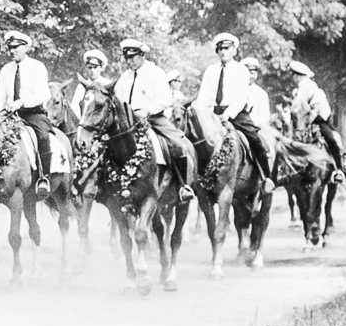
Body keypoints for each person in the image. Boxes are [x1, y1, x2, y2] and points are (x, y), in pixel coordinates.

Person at [113, 39, 195, 202]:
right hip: (127, 122)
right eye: (127, 58)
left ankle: (182, 186)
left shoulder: (155, 72)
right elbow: (117, 97)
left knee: (178, 144)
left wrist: (148, 109)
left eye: (133, 57)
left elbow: (165, 98)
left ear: (142, 55)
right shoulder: (124, 77)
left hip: (153, 118)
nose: (129, 61)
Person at [194, 32, 274, 192]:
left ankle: (266, 178)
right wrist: (202, 114)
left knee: (255, 139)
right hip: (212, 115)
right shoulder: (210, 71)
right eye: (220, 49)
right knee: (195, 140)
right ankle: (194, 182)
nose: (223, 52)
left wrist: (228, 114)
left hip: (235, 114)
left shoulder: (241, 70)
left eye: (227, 48)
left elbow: (240, 97)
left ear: (234, 51)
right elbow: (202, 97)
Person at [0, 29, 53, 198]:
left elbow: (43, 94)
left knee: (43, 137)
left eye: (16, 47)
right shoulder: (6, 69)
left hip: (33, 114)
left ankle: (43, 178)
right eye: (10, 48)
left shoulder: (37, 67)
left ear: (25, 48)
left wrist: (22, 102)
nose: (12, 51)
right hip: (10, 116)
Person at [289, 60, 346, 182]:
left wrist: (308, 120)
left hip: (320, 120)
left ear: (297, 76)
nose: (294, 78)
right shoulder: (300, 88)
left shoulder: (309, 86)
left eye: (294, 75)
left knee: (330, 139)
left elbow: (316, 108)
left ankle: (339, 168)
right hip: (304, 121)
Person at [69, 49, 108, 120]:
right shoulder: (81, 87)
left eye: (95, 67)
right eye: (90, 67)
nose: (92, 71)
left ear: (101, 68)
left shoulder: (107, 84)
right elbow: (75, 109)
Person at [242, 58, 271, 131]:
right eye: (246, 73)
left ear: (257, 75)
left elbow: (265, 119)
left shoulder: (261, 94)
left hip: (254, 128)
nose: (248, 76)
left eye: (252, 73)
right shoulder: (234, 90)